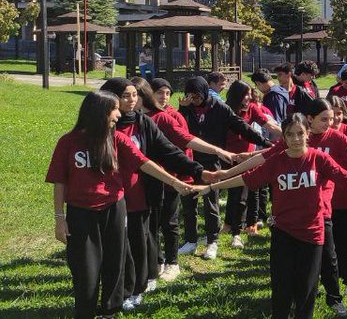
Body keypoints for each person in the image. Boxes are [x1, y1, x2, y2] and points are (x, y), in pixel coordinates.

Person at [203, 113, 347, 319]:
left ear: (307, 134)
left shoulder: (318, 159)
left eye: (300, 133)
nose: (295, 139)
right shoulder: (277, 161)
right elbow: (248, 178)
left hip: (312, 233)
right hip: (283, 232)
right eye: (290, 135)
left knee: (306, 290)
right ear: (283, 137)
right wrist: (213, 186)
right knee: (282, 288)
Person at [46, 91, 204, 319]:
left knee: (114, 261)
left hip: (113, 208)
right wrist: (60, 218)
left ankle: (109, 310)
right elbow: (59, 181)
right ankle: (85, 311)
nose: (119, 114)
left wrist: (176, 183)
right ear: (100, 112)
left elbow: (144, 163)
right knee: (85, 268)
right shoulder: (68, 142)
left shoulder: (117, 139)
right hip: (81, 213)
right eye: (114, 109)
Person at [97, 78, 212, 311]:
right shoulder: (102, 126)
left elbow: (168, 151)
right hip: (109, 197)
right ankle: (115, 290)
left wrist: (199, 171)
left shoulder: (144, 123)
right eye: (125, 96)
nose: (131, 101)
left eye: (134, 95)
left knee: (139, 243)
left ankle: (136, 288)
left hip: (140, 194)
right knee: (114, 247)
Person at [138, 78, 236, 284]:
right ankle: (156, 261)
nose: (163, 97)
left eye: (167, 92)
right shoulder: (130, 119)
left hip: (172, 176)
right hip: (143, 181)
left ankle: (172, 262)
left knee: (169, 221)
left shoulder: (163, 118)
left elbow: (186, 141)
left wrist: (215, 152)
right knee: (150, 224)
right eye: (159, 92)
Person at [177, 76, 272, 261]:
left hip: (212, 161)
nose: (194, 99)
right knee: (188, 200)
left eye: (197, 95)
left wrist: (266, 143)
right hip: (189, 160)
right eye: (190, 95)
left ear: (204, 92)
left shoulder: (219, 108)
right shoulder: (186, 108)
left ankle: (212, 241)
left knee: (210, 201)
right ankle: (190, 240)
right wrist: (183, 108)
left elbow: (242, 127)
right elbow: (179, 130)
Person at [222, 80, 281, 248]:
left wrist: (286, 135)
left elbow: (269, 124)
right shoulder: (226, 110)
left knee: (246, 191)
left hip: (248, 155)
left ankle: (242, 227)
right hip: (228, 155)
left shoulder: (252, 108)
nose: (249, 97)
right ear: (236, 95)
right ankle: (228, 224)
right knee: (233, 191)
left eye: (249, 94)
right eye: (246, 94)